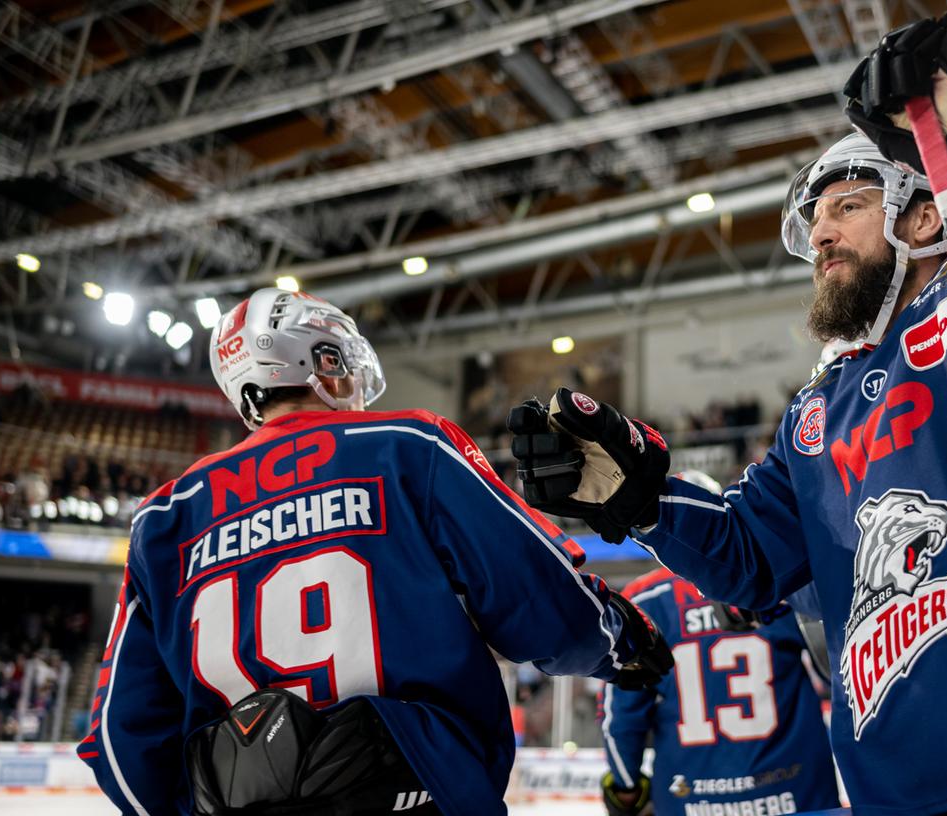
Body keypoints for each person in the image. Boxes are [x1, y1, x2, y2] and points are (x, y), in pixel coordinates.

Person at [511, 16, 947, 815]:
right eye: (817, 220)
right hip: (889, 795)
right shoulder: (817, 405)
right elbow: (750, 561)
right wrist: (643, 501)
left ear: (924, 217)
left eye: (849, 204)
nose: (822, 233)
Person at [78, 288, 670, 816]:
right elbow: (538, 600)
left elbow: (116, 737)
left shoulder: (164, 516)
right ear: (325, 365)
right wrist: (621, 642)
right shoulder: (406, 444)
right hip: (416, 788)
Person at [599, 473, 838, 816]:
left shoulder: (643, 599)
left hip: (689, 800)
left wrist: (625, 788)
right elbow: (835, 664)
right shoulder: (775, 579)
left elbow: (621, 719)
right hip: (796, 793)